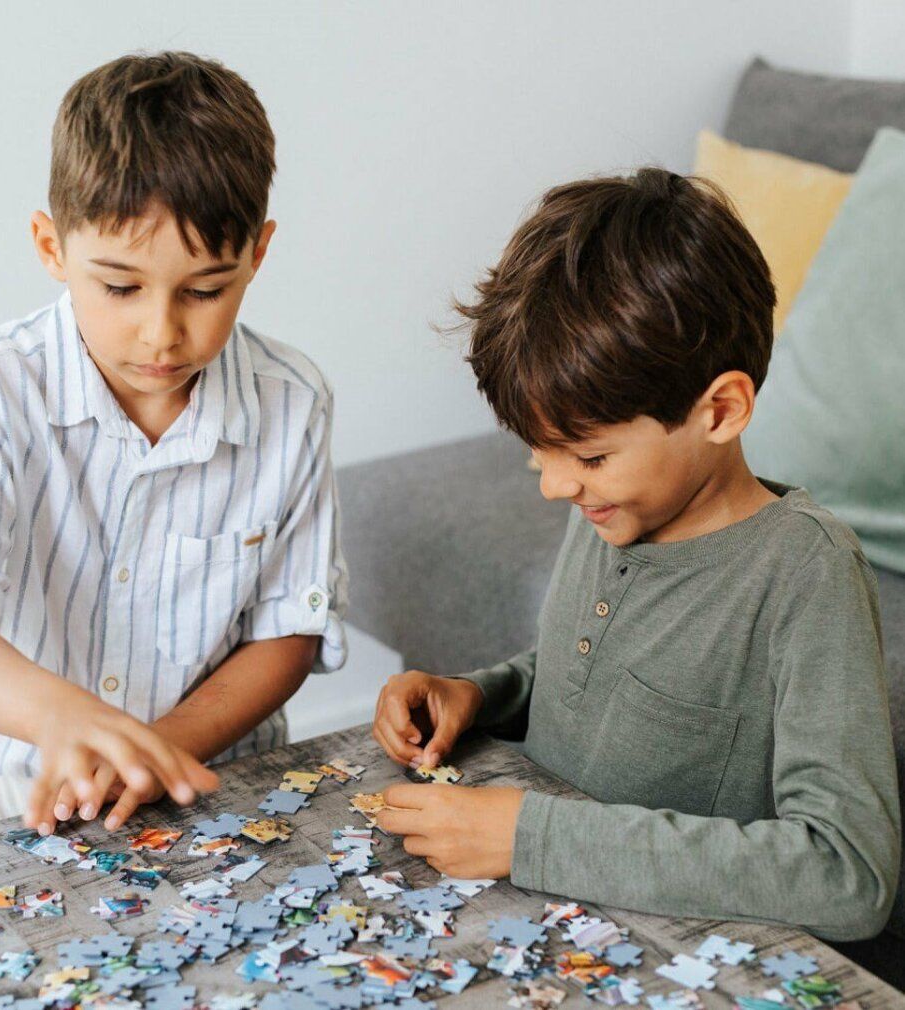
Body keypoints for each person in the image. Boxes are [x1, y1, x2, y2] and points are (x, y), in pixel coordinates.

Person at [372, 168, 900, 941]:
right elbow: (600, 674)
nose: (555, 486)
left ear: (719, 411)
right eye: (539, 452)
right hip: (535, 937)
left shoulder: (806, 575)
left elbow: (849, 872)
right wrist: (477, 694)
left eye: (586, 457)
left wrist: (530, 836)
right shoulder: (614, 508)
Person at [0, 50, 347, 837]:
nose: (163, 332)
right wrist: (61, 717)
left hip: (217, 782)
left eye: (206, 290)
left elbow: (288, 632)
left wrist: (154, 753)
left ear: (257, 255)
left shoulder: (292, 401)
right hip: (26, 791)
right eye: (120, 286)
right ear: (51, 248)